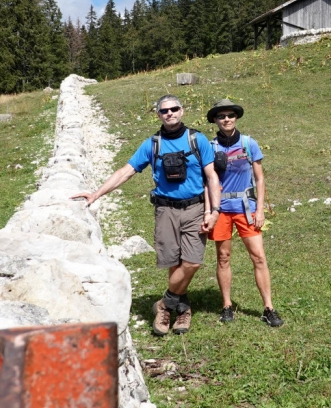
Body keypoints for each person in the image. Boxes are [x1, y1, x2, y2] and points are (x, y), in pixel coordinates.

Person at [72, 95, 220, 336]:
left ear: (182, 111)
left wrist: (214, 211)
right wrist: (96, 193)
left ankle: (165, 303)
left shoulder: (197, 139)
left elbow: (212, 177)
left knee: (192, 261)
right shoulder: (152, 144)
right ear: (158, 115)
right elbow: (126, 171)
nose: (169, 113)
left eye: (174, 109)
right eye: (164, 111)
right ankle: (181, 308)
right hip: (165, 210)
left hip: (195, 209)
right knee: (173, 262)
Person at [206, 99, 283, 327]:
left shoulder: (249, 143)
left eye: (230, 115)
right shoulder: (210, 148)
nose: (226, 119)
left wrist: (260, 209)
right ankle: (227, 305)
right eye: (221, 116)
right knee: (223, 257)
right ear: (215, 120)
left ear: (236, 117)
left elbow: (259, 178)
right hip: (221, 211)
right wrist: (209, 211)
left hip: (246, 209)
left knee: (259, 257)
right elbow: (206, 182)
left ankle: (269, 308)